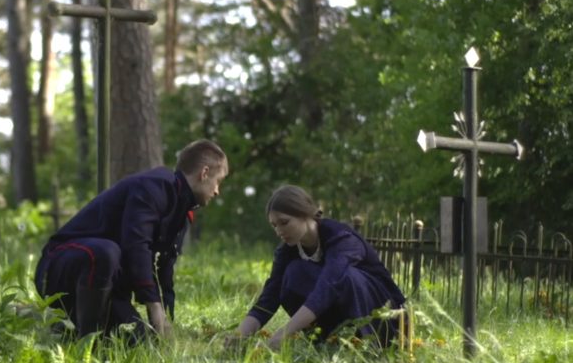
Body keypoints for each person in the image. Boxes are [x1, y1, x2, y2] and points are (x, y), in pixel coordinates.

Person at [34, 140, 228, 341]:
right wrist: (153, 305)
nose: (217, 191)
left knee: (142, 341)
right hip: (59, 271)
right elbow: (136, 245)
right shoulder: (154, 186)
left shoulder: (182, 209)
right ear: (204, 173)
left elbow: (165, 270)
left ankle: (74, 331)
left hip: (107, 287)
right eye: (218, 181)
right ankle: (85, 344)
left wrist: (166, 321)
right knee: (106, 251)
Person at [230, 185, 406, 351]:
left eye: (284, 222)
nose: (279, 231)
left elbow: (327, 287)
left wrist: (282, 334)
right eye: (274, 225)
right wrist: (239, 336)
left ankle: (370, 344)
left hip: (384, 315)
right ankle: (328, 342)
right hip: (337, 309)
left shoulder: (342, 238)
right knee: (293, 273)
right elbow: (269, 298)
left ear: (305, 214)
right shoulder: (287, 252)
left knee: (346, 277)